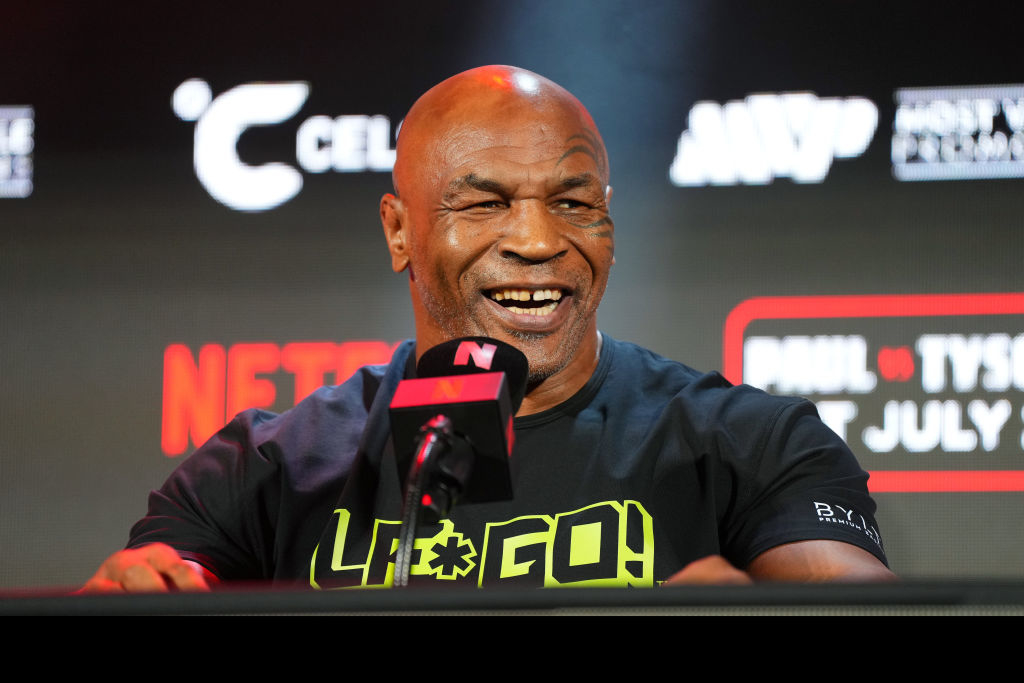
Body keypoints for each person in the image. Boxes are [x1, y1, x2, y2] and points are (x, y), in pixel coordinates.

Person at [82, 65, 894, 592]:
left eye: (575, 203)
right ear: (399, 231)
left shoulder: (753, 441)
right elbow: (150, 588)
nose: (540, 242)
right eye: (485, 202)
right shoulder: (264, 466)